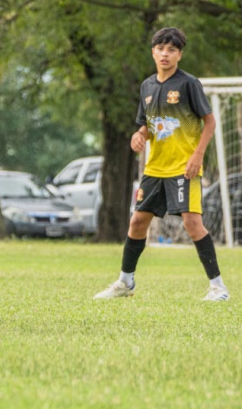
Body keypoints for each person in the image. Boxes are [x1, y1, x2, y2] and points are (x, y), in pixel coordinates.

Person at [94, 27, 229, 302]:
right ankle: (125, 282)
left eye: (171, 50)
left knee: (192, 223)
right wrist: (138, 135)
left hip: (184, 167)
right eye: (160, 49)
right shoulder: (147, 86)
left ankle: (218, 287)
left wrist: (198, 155)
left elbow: (210, 122)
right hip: (155, 168)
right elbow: (146, 125)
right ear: (153, 51)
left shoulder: (189, 84)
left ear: (179, 54)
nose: (165, 54)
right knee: (137, 222)